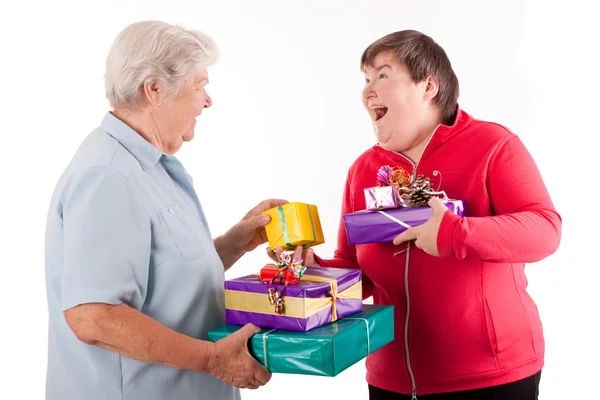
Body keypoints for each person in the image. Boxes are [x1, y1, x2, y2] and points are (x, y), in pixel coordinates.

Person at [276, 30, 561, 399]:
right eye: (365, 79)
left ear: (428, 86)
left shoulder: (493, 145)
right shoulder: (362, 169)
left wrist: (455, 233)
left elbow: (544, 229)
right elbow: (355, 270)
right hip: (390, 379)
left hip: (492, 376)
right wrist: (317, 272)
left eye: (382, 74)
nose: (367, 91)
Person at [44, 20, 280, 400]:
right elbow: (94, 317)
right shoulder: (108, 176)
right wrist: (212, 360)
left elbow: (161, 280)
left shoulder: (149, 165)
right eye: (199, 86)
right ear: (154, 90)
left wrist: (236, 242)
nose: (207, 100)